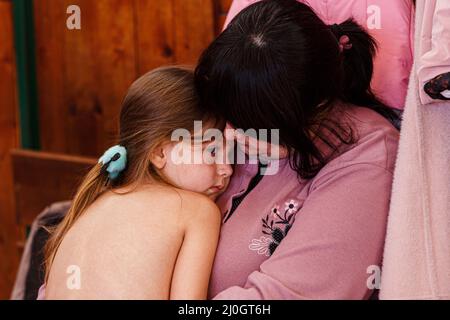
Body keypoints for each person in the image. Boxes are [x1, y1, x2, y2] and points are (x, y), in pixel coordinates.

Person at [194, 0, 400, 299]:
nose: (230, 133)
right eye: (227, 116)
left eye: (249, 124)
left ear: (314, 108)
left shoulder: (366, 159)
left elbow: (286, 296)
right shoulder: (243, 113)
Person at [40, 66, 233, 299]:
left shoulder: (94, 202)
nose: (227, 168)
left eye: (230, 153)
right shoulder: (196, 210)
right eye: (212, 151)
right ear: (160, 153)